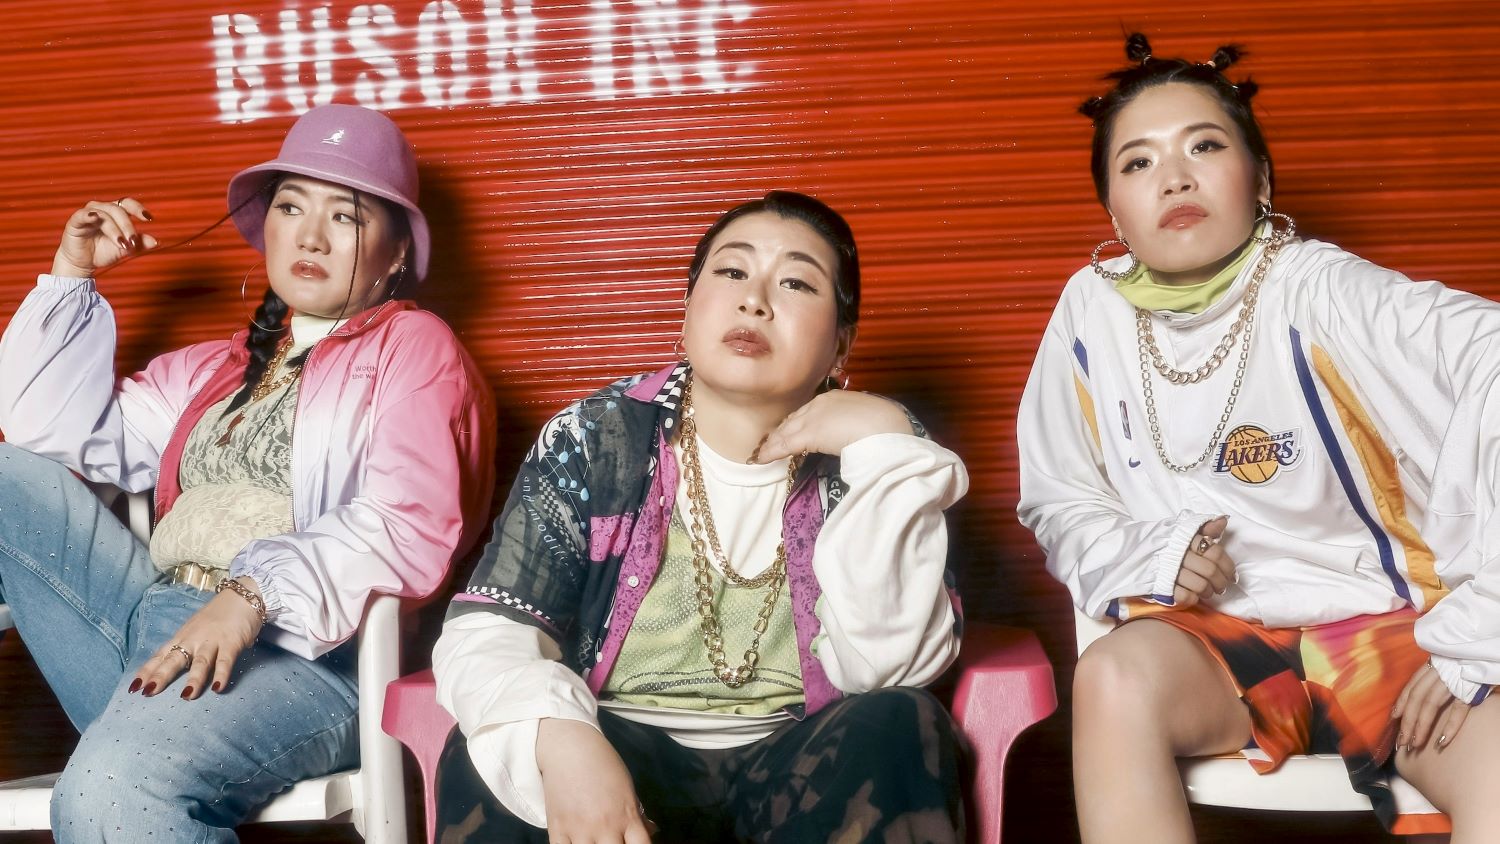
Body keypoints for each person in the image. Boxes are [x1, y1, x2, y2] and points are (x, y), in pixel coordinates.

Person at [1018, 32, 1500, 843]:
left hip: (1391, 628)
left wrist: (1482, 629)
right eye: (1138, 161)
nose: (1174, 177)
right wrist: (1151, 556)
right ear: (1114, 213)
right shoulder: (1089, 312)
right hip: (1218, 643)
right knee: (1112, 678)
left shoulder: (1321, 288)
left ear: (1262, 180)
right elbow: (1059, 497)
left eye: (1204, 146)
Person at [0, 103, 495, 842]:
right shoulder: (213, 369)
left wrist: (252, 593)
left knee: (112, 794)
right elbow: (50, 434)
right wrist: (73, 277)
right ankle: (132, 751)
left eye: (346, 216)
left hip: (301, 660)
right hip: (147, 630)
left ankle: (128, 767)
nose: (310, 235)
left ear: (396, 254)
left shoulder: (414, 349)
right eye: (291, 207)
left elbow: (408, 521)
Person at [432, 191, 968, 843]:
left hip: (802, 763)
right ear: (686, 312)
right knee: (493, 748)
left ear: (841, 345)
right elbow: (492, 626)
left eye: (797, 283)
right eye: (732, 271)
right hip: (620, 757)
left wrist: (884, 444)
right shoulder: (597, 438)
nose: (755, 301)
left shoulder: (881, 459)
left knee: (903, 719)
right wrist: (560, 735)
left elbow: (889, 670)